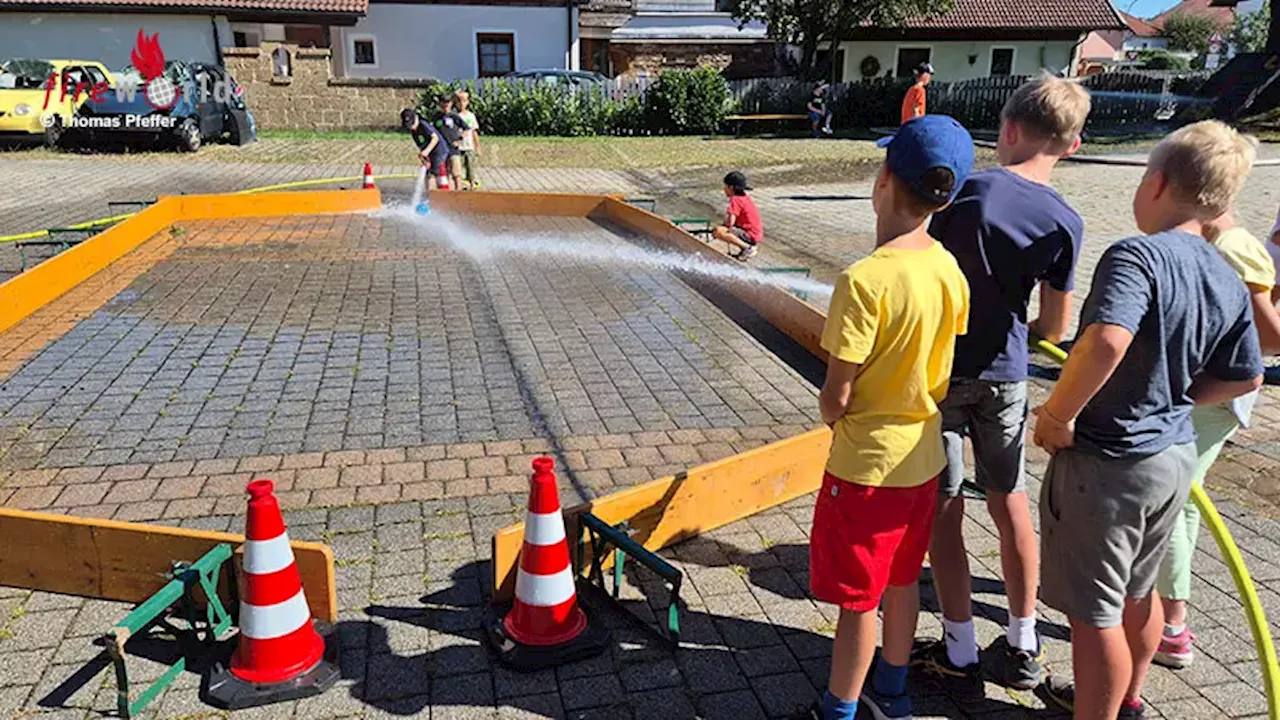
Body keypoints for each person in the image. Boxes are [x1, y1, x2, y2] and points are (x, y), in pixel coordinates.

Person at [1034, 120, 1264, 719]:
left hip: (1111, 465)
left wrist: (1059, 415)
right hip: (1173, 458)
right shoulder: (1223, 272)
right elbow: (1247, 376)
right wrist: (1175, 398)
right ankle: (1126, 701)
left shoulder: (1138, 255)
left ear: (1157, 182)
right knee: (1140, 593)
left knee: (1094, 615)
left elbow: (1108, 339)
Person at [913, 74, 1090, 693]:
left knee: (945, 507)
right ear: (1071, 146)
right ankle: (1022, 641)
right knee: (1010, 500)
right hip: (1007, 376)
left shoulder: (964, 193)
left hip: (940, 374)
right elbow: (1056, 325)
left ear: (1007, 130)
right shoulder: (1067, 220)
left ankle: (958, 648)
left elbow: (922, 271)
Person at [804, 114, 974, 720]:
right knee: (903, 581)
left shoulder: (862, 280)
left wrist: (831, 416)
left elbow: (838, 396)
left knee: (858, 600)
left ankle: (841, 710)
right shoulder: (949, 268)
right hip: (923, 457)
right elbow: (941, 362)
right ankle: (895, 693)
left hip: (866, 468)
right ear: (945, 198)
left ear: (882, 181)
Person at [1153, 209, 1280, 670]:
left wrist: (1205, 373)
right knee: (1180, 499)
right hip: (1207, 391)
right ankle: (1166, 615)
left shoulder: (1232, 250)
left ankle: (1169, 627)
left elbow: (1269, 337)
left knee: (1172, 499)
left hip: (1209, 395)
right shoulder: (1230, 243)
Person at [711, 171, 764, 261]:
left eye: (725, 186)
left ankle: (748, 248)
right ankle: (744, 250)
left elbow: (731, 222)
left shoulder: (735, 200)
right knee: (723, 230)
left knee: (718, 231)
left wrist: (721, 229)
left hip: (749, 234)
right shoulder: (744, 197)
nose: (724, 189)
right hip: (755, 234)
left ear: (731, 187)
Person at [401, 107, 448, 198]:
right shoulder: (414, 131)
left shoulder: (423, 125)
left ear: (415, 118)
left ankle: (441, 196)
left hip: (439, 151)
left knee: (436, 173)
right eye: (408, 125)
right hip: (429, 153)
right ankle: (429, 196)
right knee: (428, 173)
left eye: (412, 124)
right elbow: (420, 144)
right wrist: (424, 157)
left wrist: (426, 151)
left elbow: (435, 138)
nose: (411, 127)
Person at [431, 94, 468, 190]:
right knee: (444, 172)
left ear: (451, 104)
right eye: (443, 103)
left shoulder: (454, 116)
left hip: (453, 148)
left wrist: (460, 139)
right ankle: (448, 191)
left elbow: (466, 129)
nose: (445, 105)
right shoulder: (436, 117)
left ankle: (458, 190)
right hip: (441, 149)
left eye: (447, 103)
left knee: (456, 171)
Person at [455, 90, 483, 190]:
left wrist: (477, 146)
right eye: (459, 100)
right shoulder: (454, 116)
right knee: (457, 168)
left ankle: (471, 184)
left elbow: (474, 132)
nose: (461, 103)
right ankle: (457, 185)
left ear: (468, 101)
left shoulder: (471, 116)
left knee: (470, 168)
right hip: (458, 147)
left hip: (469, 147)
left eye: (464, 100)